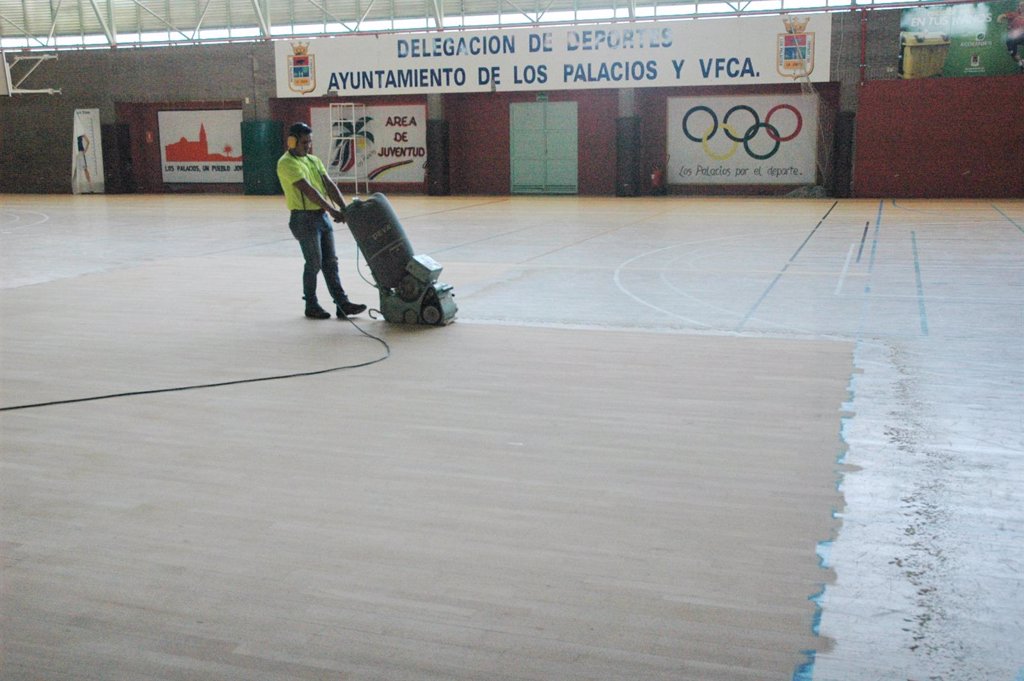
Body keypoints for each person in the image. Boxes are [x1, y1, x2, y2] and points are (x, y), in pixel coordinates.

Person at [276, 122, 367, 320]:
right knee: (314, 263)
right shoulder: (286, 163)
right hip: (303, 218)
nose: (307, 146)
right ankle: (311, 304)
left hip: (321, 217)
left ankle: (342, 304)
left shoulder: (313, 160)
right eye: (303, 142)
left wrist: (344, 208)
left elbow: (328, 185)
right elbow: (309, 190)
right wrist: (332, 210)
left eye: (309, 142)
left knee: (331, 263)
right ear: (291, 142)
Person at [998, 0, 1024, 73]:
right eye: (1021, 6)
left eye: (1023, 5)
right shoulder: (1014, 14)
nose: (1022, 7)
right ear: (1019, 7)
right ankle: (1021, 63)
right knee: (1012, 53)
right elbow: (1002, 15)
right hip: (1012, 38)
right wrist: (999, 19)